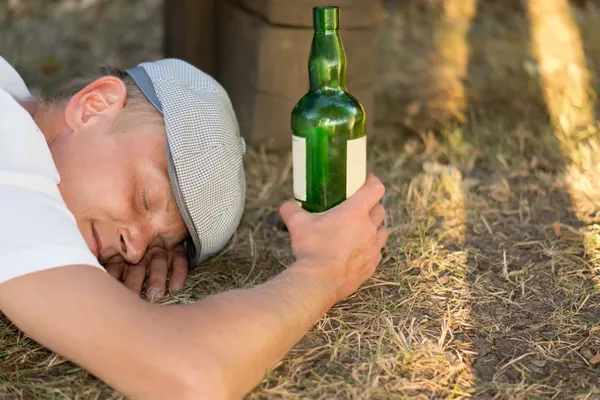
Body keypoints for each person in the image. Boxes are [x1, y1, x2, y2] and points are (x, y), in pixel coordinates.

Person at [0, 55, 388, 399]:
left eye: (159, 242)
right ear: (94, 106)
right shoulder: (12, 167)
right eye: (145, 198)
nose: (133, 250)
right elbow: (189, 375)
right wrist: (324, 269)